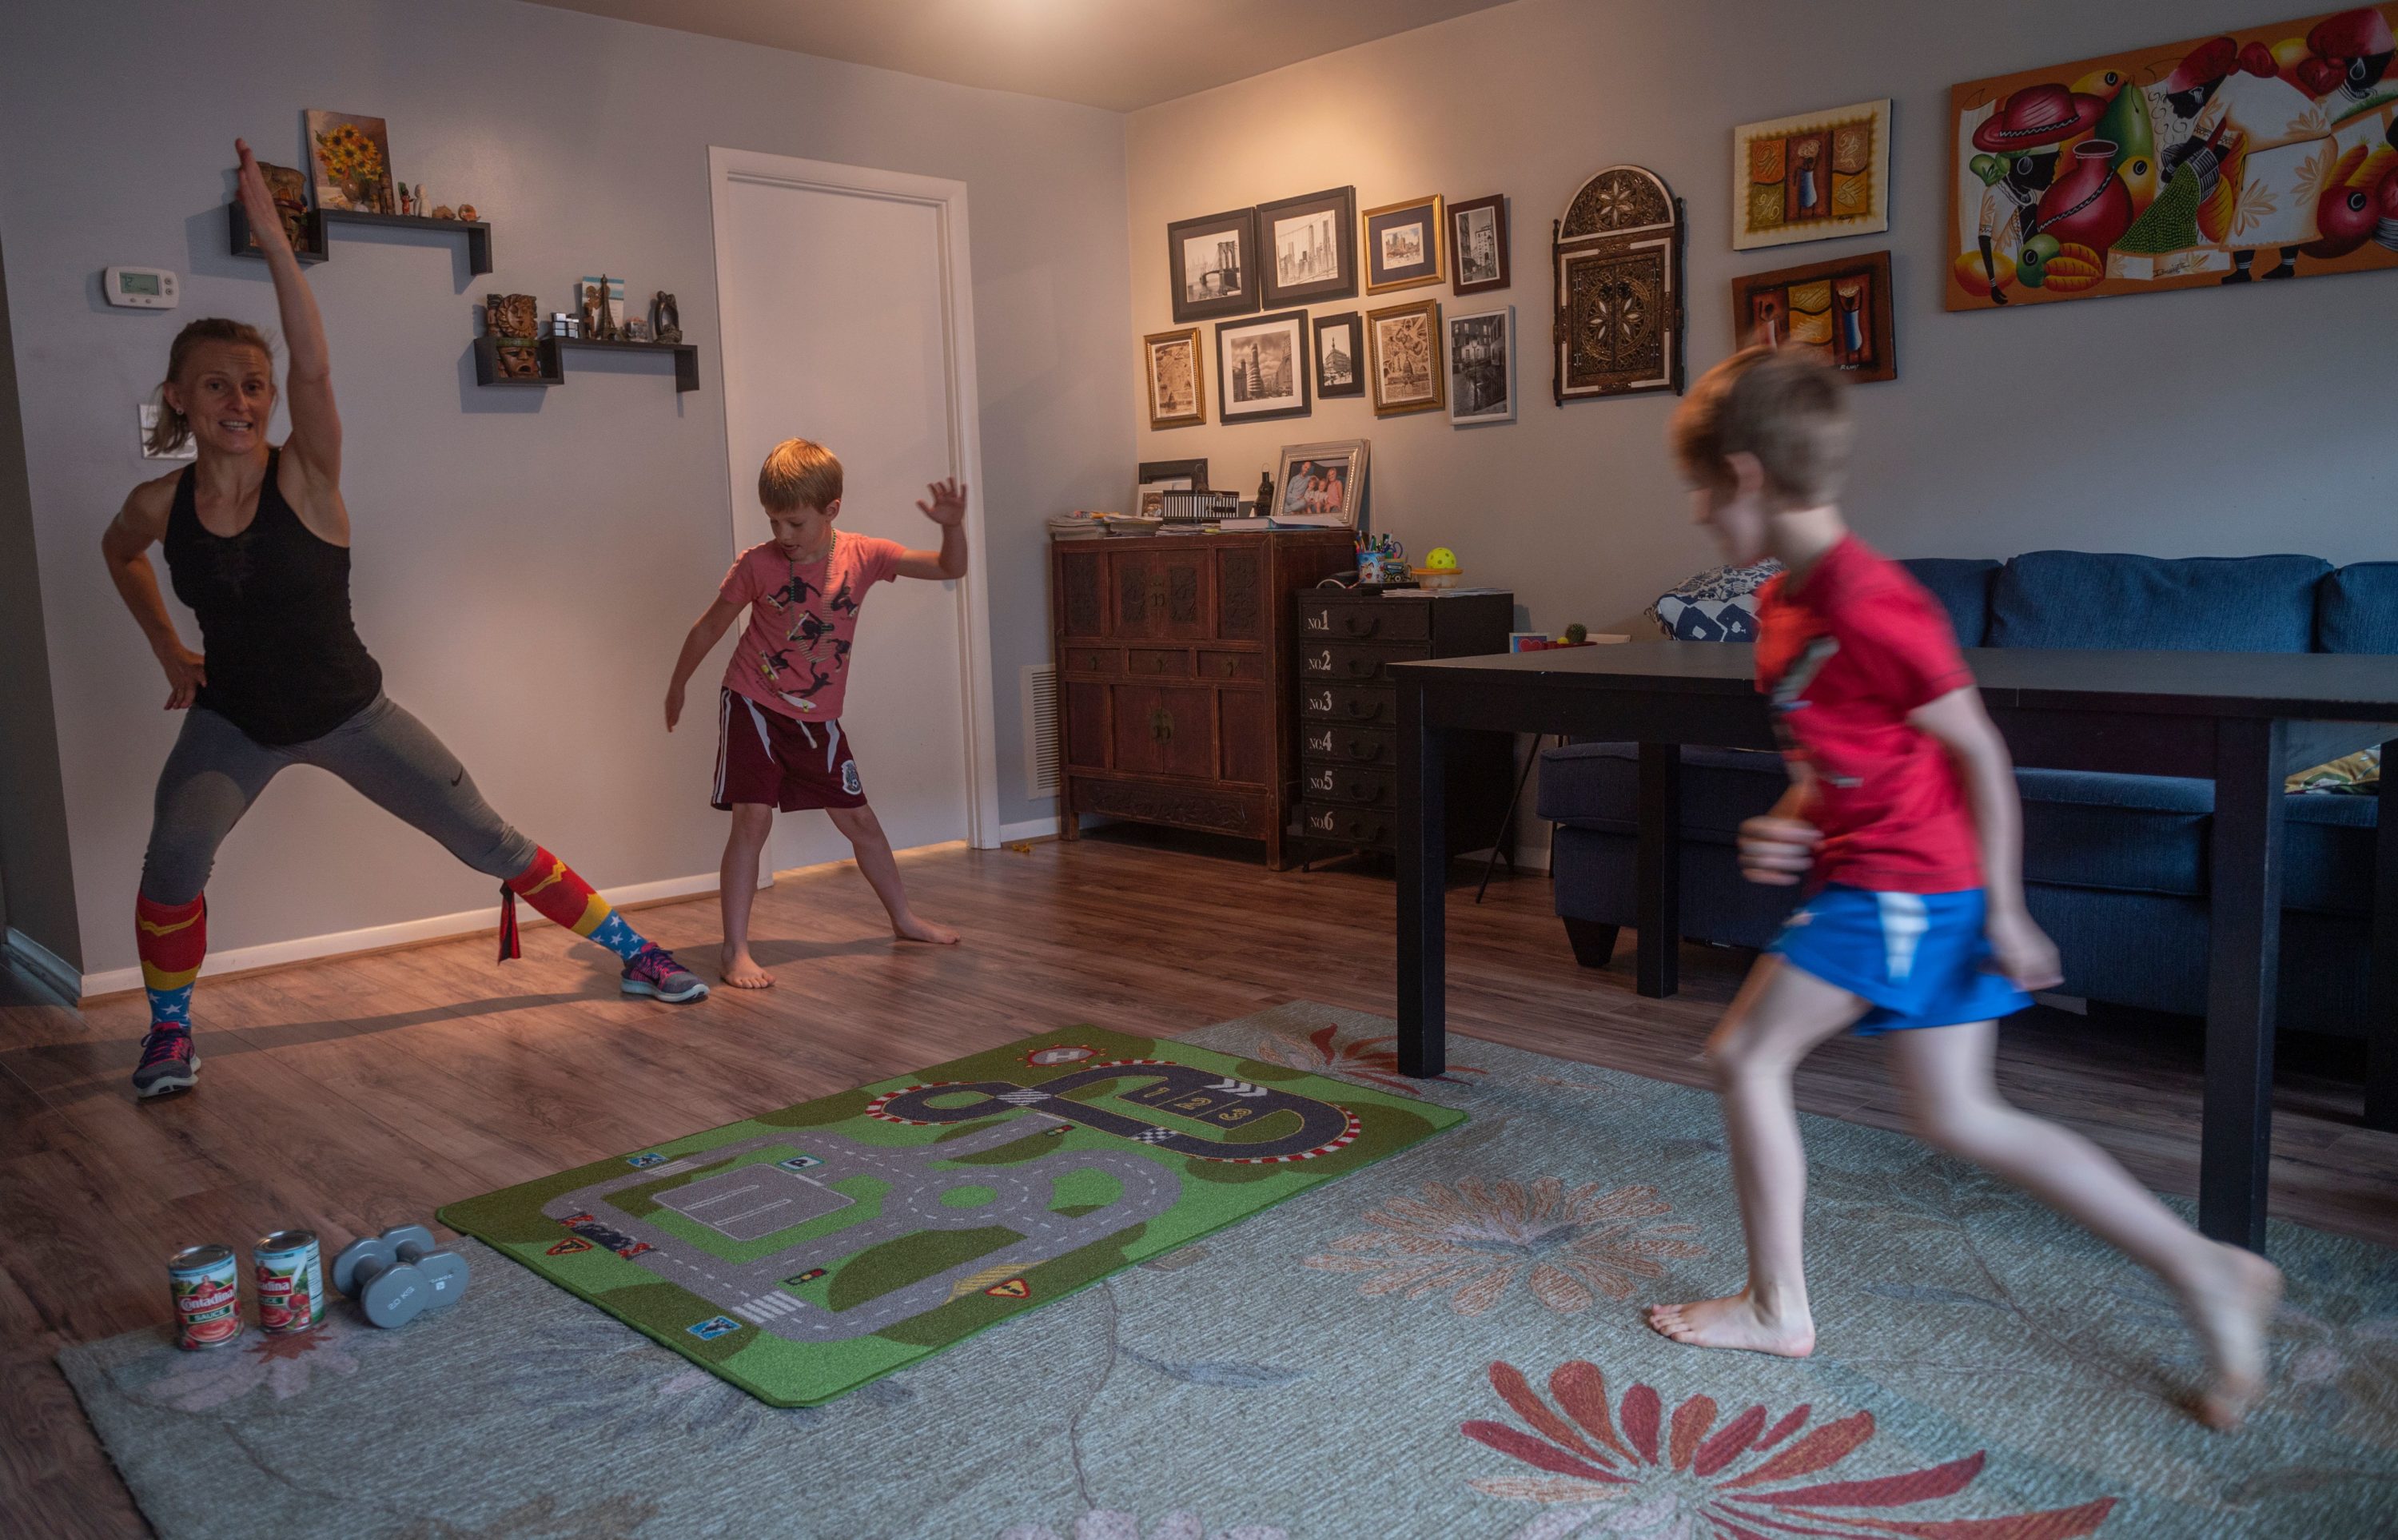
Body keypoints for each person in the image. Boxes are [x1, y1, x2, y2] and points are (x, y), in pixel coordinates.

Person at [1641, 347, 2282, 1432]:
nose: (1700, 513)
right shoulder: (1787, 610)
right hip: (1884, 877)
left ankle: (1776, 1302)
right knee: (1963, 1113)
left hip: (1903, 886)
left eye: (1703, 489)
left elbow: (1977, 752)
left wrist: (2008, 905)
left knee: (1745, 1053)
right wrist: (1788, 817)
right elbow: (1837, 759)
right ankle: (2208, 1268)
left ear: (1746, 475)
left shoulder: (1876, 603)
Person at [104, 141, 708, 1099]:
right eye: (216, 383)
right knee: (174, 858)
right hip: (234, 721)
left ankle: (635, 950)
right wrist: (170, 649)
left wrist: (273, 242)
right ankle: (170, 1031)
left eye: (252, 384)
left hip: (352, 712)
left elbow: (315, 367)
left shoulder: (303, 476)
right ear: (178, 397)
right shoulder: (158, 504)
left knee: (491, 843)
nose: (241, 398)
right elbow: (118, 554)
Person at [663, 439, 967, 988]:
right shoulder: (757, 564)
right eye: (774, 521)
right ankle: (735, 950)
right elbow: (709, 626)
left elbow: (951, 566)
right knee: (752, 819)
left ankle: (903, 918)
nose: (783, 535)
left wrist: (951, 526)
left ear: (832, 510)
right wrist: (677, 684)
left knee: (861, 822)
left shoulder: (864, 556)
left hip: (817, 718)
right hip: (753, 701)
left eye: (795, 523)